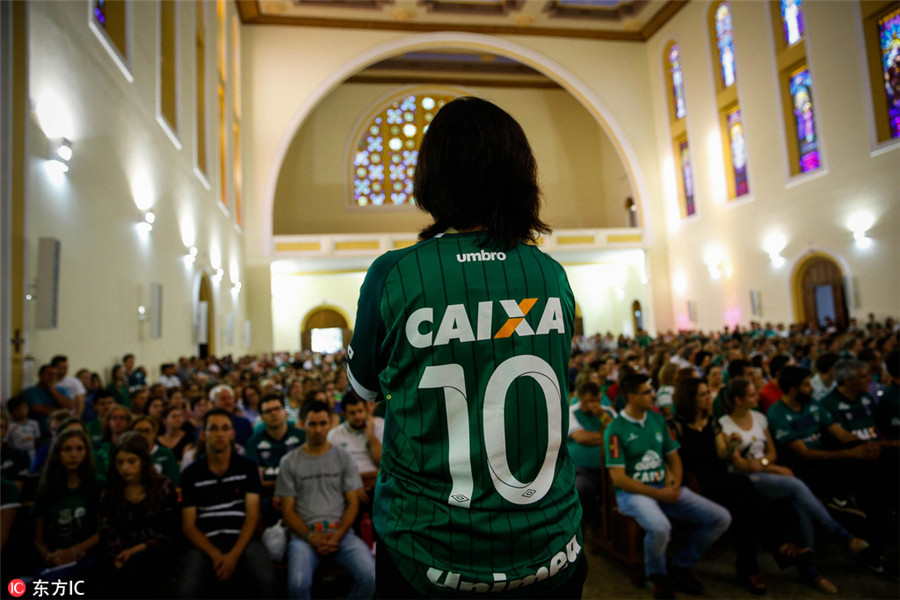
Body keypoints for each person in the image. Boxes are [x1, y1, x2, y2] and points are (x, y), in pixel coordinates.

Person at [347, 97, 586, 597]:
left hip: (429, 549)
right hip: (550, 545)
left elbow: (364, 388)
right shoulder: (549, 274)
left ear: (433, 175)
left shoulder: (394, 275)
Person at [719, 379, 869, 593]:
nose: (757, 397)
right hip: (745, 480)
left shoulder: (760, 418)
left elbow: (771, 452)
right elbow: (740, 464)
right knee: (796, 486)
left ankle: (811, 572)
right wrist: (771, 468)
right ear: (738, 400)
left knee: (800, 506)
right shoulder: (725, 424)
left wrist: (765, 464)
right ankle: (843, 536)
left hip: (766, 471)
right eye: (752, 395)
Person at [604, 373, 731, 599]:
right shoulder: (615, 429)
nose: (653, 395)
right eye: (646, 392)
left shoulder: (658, 420)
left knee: (720, 518)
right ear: (632, 397)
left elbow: (673, 457)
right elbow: (619, 479)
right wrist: (660, 492)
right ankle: (658, 575)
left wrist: (675, 482)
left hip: (663, 487)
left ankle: (681, 564)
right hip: (633, 493)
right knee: (661, 527)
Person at [670, 378, 768, 595]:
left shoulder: (711, 422)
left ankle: (749, 569)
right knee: (743, 487)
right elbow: (675, 460)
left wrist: (732, 444)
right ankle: (772, 546)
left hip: (719, 478)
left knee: (742, 507)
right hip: (696, 482)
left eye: (708, 393)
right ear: (691, 400)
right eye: (703, 395)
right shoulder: (676, 426)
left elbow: (722, 454)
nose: (709, 398)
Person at [276, 400, 375, 599]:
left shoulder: (343, 458)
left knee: (370, 576)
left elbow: (352, 503)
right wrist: (311, 537)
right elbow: (287, 510)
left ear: (330, 423)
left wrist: (337, 535)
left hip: (341, 533)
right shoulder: (289, 462)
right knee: (297, 584)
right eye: (313, 424)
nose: (318, 429)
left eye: (322, 423)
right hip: (304, 536)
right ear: (303, 424)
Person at [178, 408, 274, 598]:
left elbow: (252, 515)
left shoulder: (247, 467)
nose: (220, 434)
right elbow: (189, 526)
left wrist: (233, 555)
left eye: (224, 428)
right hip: (205, 544)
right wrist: (216, 555)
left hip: (242, 541)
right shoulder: (191, 474)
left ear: (232, 433)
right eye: (213, 429)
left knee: (267, 582)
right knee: (185, 590)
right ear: (204, 434)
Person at [99, 432, 177, 598]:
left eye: (131, 461)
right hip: (121, 549)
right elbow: (108, 527)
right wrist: (118, 553)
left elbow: (167, 530)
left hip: (154, 549)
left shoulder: (162, 487)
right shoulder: (110, 491)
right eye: (120, 462)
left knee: (139, 569)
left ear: (143, 461)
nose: (125, 468)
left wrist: (135, 550)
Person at [32, 428, 103, 582]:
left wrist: (73, 551)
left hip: (87, 556)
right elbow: (38, 539)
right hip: (54, 559)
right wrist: (48, 555)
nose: (73, 455)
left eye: (79, 449)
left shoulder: (97, 485)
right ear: (58, 453)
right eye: (67, 449)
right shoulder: (46, 489)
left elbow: (102, 530)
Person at [566, 381, 611, 553]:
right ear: (581, 400)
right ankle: (594, 527)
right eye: (590, 401)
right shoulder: (571, 412)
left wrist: (603, 418)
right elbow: (581, 437)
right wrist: (606, 436)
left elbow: (617, 432)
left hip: (608, 468)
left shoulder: (605, 413)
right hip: (581, 469)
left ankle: (613, 532)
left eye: (597, 400)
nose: (594, 404)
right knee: (582, 488)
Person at [327, 390, 383, 498]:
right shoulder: (334, 435)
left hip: (376, 483)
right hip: (348, 487)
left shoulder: (379, 426)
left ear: (366, 410)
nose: (358, 416)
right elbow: (332, 470)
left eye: (360, 411)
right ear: (344, 414)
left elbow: (383, 462)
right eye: (352, 413)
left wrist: (371, 435)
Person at [24, 364, 74, 437]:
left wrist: (53, 390)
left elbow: (70, 406)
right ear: (40, 375)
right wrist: (62, 412)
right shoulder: (31, 391)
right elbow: (38, 408)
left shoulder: (62, 390)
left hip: (62, 431)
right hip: (40, 432)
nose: (52, 377)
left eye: (54, 374)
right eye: (49, 374)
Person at [130, 415, 180, 486]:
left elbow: (173, 481)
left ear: (154, 432)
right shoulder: (128, 454)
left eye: (147, 431)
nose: (143, 434)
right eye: (139, 431)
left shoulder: (166, 454)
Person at [5, 395, 41, 461]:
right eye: (18, 410)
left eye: (24, 408)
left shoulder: (34, 423)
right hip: (17, 455)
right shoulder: (10, 426)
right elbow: (6, 441)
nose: (22, 411)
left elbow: (37, 439)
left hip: (32, 453)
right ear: (11, 412)